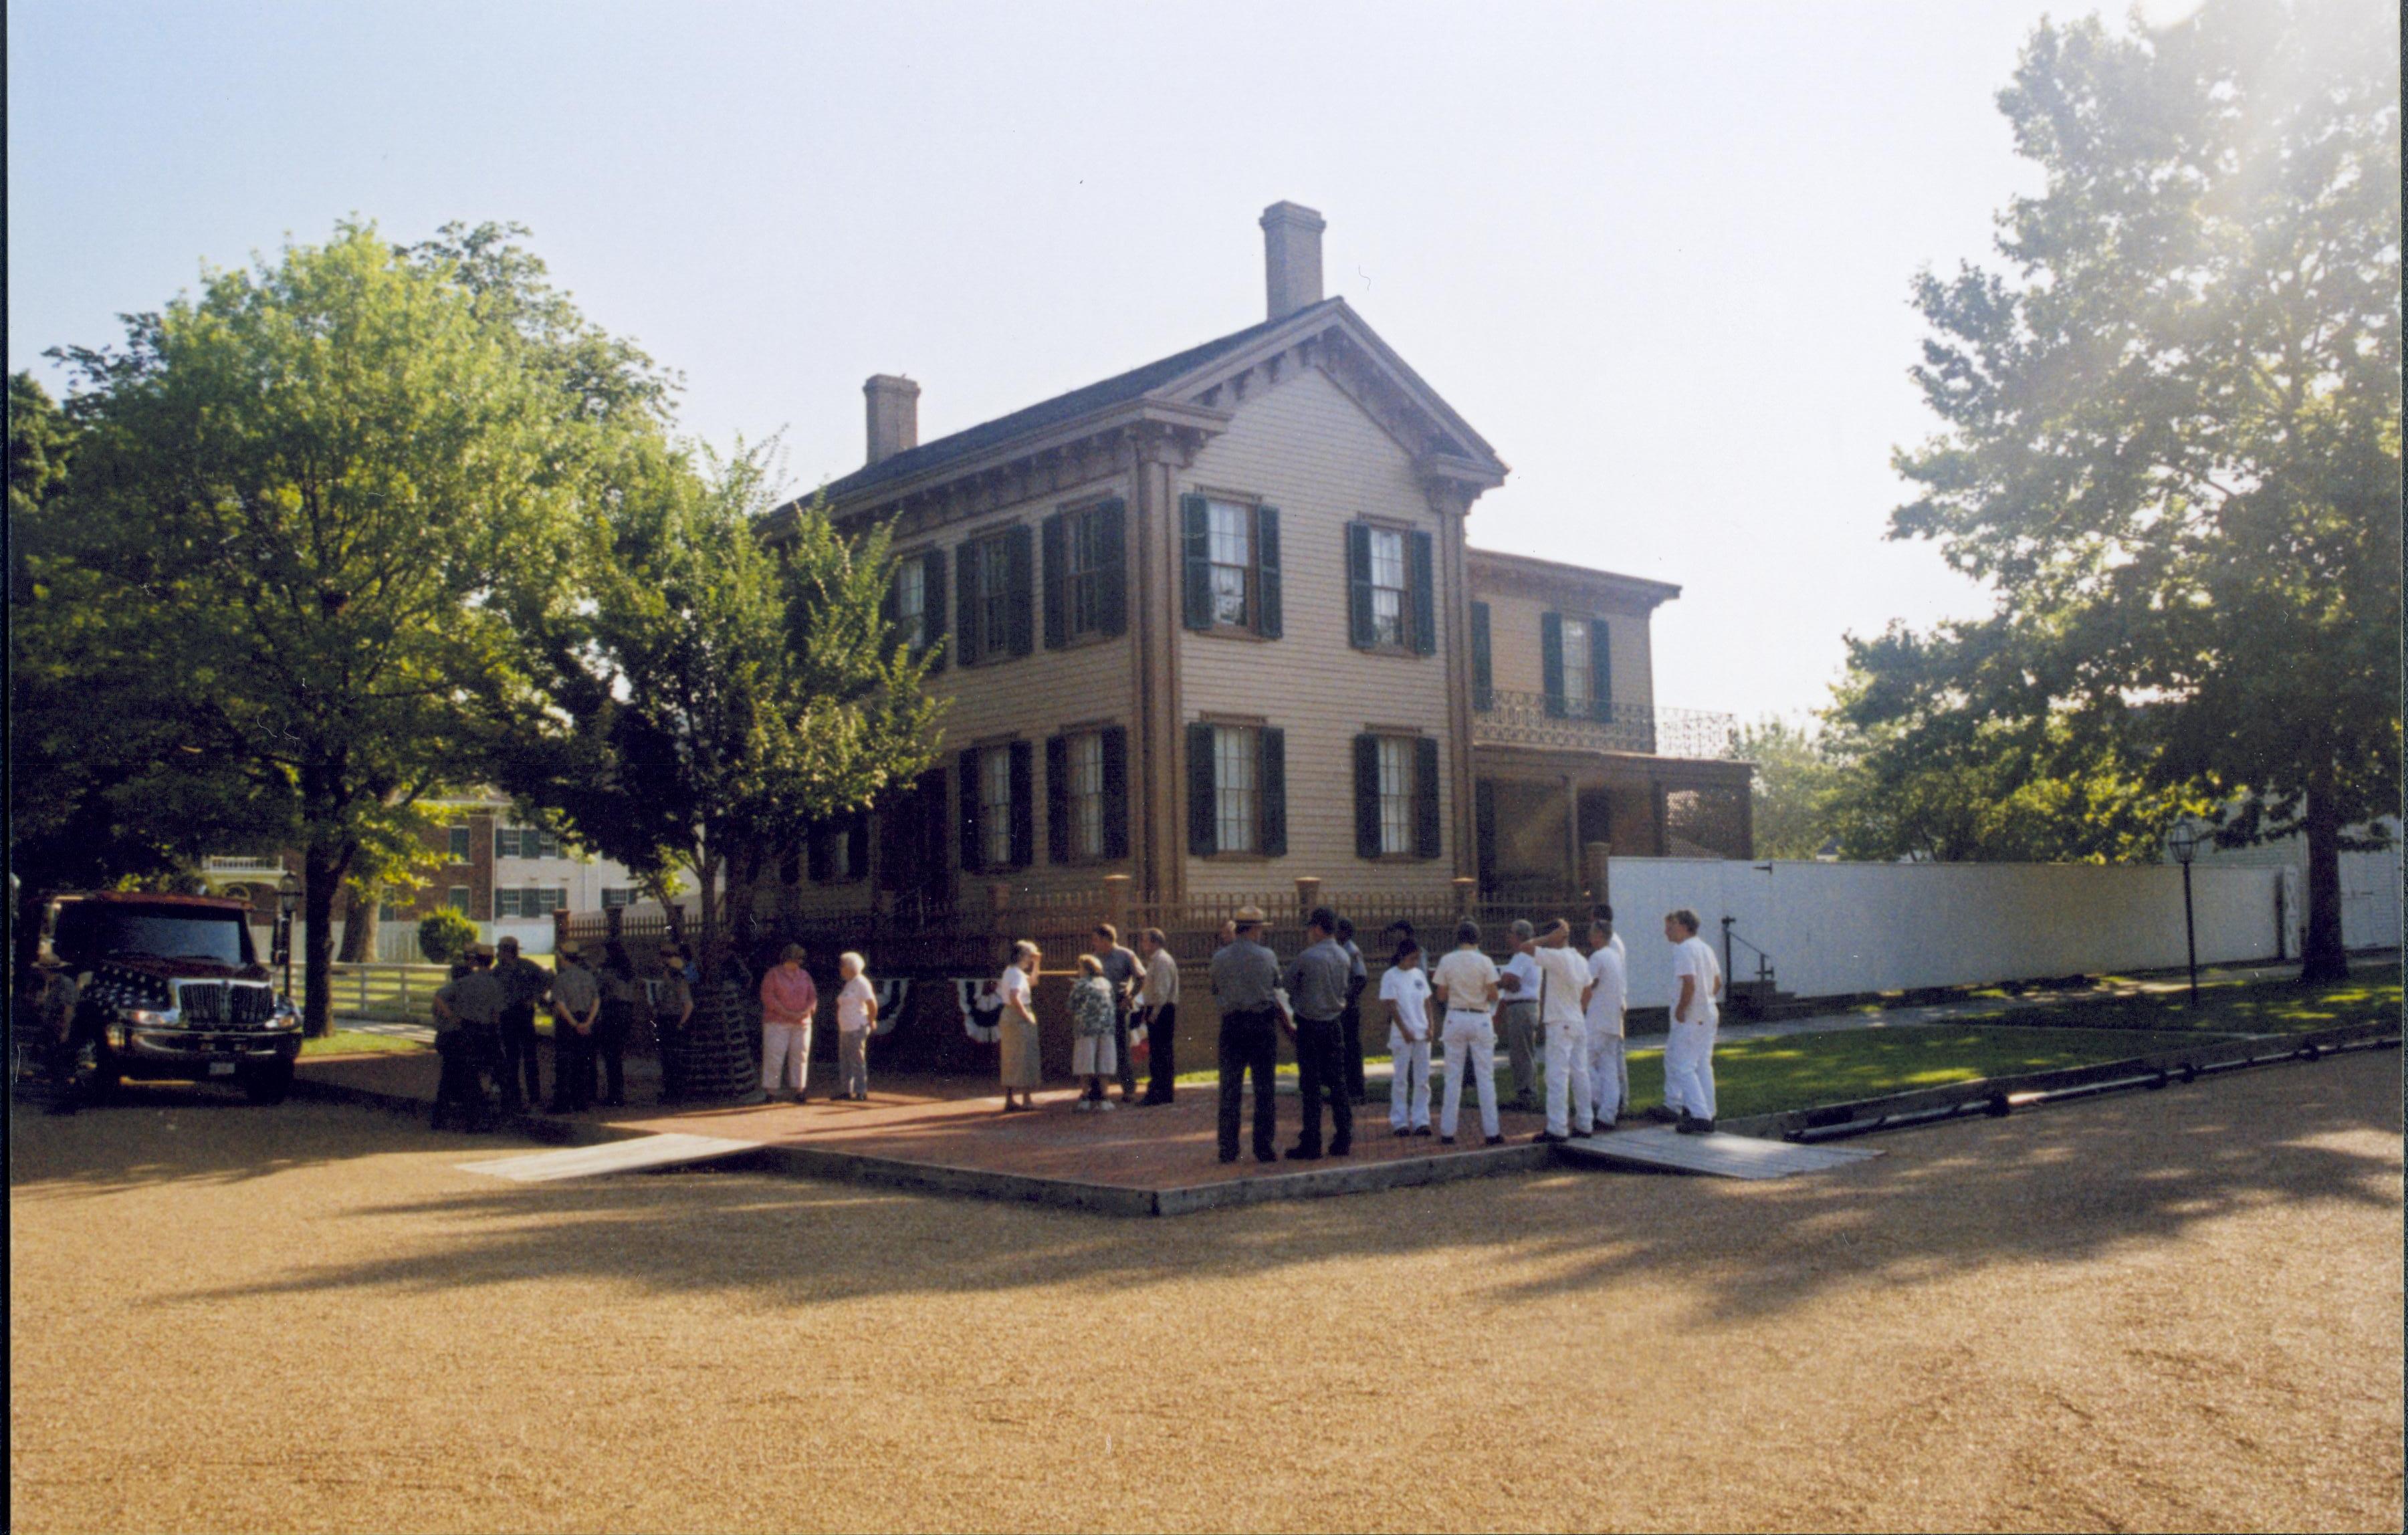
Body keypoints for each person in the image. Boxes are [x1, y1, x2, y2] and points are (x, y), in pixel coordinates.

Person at [1208, 907, 1281, 1163]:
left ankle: (1228, 1147)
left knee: (1230, 1087)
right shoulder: (1267, 956)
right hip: (1261, 1023)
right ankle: (1264, 1146)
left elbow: (1215, 988)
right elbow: (1276, 985)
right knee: (1264, 1088)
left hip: (1232, 1023)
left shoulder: (1220, 957)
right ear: (1254, 929)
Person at [1284, 907, 1354, 1161]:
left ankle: (1312, 1141)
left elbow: (1288, 984)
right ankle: (1344, 1137)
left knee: (1311, 1085)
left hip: (1310, 1022)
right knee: (1338, 1082)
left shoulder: (1307, 957)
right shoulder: (1344, 956)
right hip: (1334, 1022)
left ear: (1316, 928)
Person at [1431, 921, 1504, 1146]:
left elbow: (1441, 995)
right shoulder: (1485, 961)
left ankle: (1447, 1132)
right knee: (1485, 1076)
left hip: (1455, 1016)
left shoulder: (1446, 960)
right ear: (1477, 939)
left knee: (1453, 1076)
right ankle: (1492, 1132)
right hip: (1480, 1017)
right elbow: (1493, 995)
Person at [430, 943, 508, 1131]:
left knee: (462, 1075)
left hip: (465, 1031)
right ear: (492, 960)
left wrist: (453, 1017)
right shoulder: (495, 984)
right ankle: (480, 1119)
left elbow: (439, 996)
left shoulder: (465, 982)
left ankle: (442, 1118)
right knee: (487, 1075)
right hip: (486, 1032)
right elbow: (497, 1014)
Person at [1531, 919, 1596, 1144]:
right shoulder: (1580, 959)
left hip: (1560, 1021)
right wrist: (1577, 1010)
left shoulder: (1557, 957)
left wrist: (1548, 939)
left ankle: (1557, 1127)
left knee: (1557, 1075)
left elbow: (1525, 947)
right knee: (1580, 1072)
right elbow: (1588, 993)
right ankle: (1585, 1123)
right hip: (1577, 1019)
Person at [1663, 908, 1725, 1134]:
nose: (1666, 931)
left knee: (1683, 1066)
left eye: (1670, 926)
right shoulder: (1705, 948)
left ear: (1681, 925)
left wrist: (1682, 1008)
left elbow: (1690, 982)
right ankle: (1708, 1111)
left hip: (1692, 1015)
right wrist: (1705, 1000)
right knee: (1702, 1065)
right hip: (1708, 1011)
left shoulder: (1684, 949)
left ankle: (1699, 1115)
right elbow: (1716, 982)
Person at [1380, 936, 1434, 1137]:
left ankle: (1422, 1119)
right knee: (1401, 1079)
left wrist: (1431, 1026)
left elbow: (1427, 1001)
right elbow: (1391, 1005)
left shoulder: (1419, 974)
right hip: (1403, 1034)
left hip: (1421, 1032)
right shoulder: (1390, 976)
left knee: (1422, 1079)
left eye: (1417, 959)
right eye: (1412, 958)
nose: (1415, 962)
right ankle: (1400, 1121)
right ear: (1402, 956)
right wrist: (1404, 1030)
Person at [491, 936, 550, 1114]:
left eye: (500, 950)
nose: (498, 954)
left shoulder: (528, 966)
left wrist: (535, 997)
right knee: (511, 1058)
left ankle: (534, 1096)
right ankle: (514, 1096)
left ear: (507, 951)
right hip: (507, 1015)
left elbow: (547, 979)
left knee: (530, 1056)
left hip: (524, 1014)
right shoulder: (497, 971)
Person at [1583, 914, 1629, 1132]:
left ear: (1599, 935)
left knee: (1583, 1063)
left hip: (1598, 1020)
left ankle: (1598, 1101)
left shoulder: (1598, 957)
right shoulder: (1615, 957)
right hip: (1613, 1020)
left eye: (1592, 933)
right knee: (1609, 1067)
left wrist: (1580, 1006)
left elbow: (1587, 985)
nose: (1590, 937)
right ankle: (1608, 1113)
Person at [546, 940, 602, 1113]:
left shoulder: (561, 979)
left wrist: (574, 1024)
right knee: (582, 1062)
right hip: (586, 1018)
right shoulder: (588, 976)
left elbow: (561, 1004)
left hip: (567, 1022)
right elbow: (596, 1001)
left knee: (564, 1063)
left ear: (563, 958)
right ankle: (581, 1101)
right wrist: (588, 1022)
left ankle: (562, 1103)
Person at [1091, 923, 1142, 1106]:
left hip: (1119, 1006)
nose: (1094, 943)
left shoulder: (1125, 955)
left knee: (1121, 1047)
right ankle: (1097, 1089)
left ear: (1106, 939)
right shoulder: (1094, 958)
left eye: (1096, 939)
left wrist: (1129, 997)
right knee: (1098, 1047)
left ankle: (1128, 1089)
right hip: (1100, 1007)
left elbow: (1141, 977)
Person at [760, 944, 818, 1103]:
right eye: (793, 960)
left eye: (798, 960)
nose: (795, 964)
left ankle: (800, 1090)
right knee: (775, 1055)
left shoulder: (804, 975)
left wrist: (806, 1011)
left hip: (802, 1022)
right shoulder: (773, 975)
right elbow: (769, 998)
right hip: (777, 1022)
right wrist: (787, 1013)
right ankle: (771, 1091)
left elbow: (812, 997)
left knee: (800, 1056)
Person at [1496, 919, 1545, 1111]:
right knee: (1525, 1051)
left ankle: (1526, 1094)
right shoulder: (1528, 955)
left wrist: (1501, 983)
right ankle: (1527, 1091)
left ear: (1520, 936)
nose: (1508, 936)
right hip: (1526, 1006)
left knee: (1521, 1053)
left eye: (1511, 932)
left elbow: (1510, 980)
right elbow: (1513, 982)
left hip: (1521, 1007)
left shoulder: (1523, 956)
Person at [1135, 927, 1180, 1106]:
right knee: (1161, 1052)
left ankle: (1159, 1092)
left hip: (1161, 1010)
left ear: (1154, 942)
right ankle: (1163, 1091)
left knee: (1160, 1053)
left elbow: (1161, 990)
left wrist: (1154, 1013)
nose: (1143, 945)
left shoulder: (1161, 961)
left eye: (1145, 941)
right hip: (1160, 1009)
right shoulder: (1157, 960)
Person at [996, 941, 1043, 1112]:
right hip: (1018, 1015)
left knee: (1010, 1057)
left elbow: (1033, 982)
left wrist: (1037, 964)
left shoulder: (1012, 972)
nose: (1031, 958)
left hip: (1009, 1015)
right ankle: (1027, 1100)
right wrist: (1026, 1016)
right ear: (1023, 956)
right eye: (1030, 955)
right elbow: (1015, 997)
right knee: (1025, 1057)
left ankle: (1010, 1099)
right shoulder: (1016, 974)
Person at [1069, 953, 1118, 1110]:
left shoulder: (1080, 985)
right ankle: (1105, 1099)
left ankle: (1085, 1099)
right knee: (1104, 1063)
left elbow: (1071, 1006)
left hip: (1086, 1028)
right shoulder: (1106, 983)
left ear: (1085, 968)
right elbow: (1111, 1004)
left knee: (1085, 1064)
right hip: (1106, 1028)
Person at [594, 940, 639, 1108]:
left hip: (612, 1011)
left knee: (610, 1055)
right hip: (626, 1011)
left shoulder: (608, 973)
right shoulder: (627, 972)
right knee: (616, 1055)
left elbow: (597, 989)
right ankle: (617, 1093)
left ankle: (614, 1095)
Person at [651, 943, 694, 1105]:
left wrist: (681, 1023)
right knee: (668, 1059)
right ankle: (671, 1091)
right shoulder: (667, 985)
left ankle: (676, 1092)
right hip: (666, 1020)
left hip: (673, 1020)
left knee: (673, 1059)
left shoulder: (679, 984)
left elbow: (689, 1005)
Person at [1335, 915, 1370, 1106]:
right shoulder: (1340, 950)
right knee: (1342, 1049)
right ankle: (1345, 1089)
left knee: (1351, 1049)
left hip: (1349, 1008)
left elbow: (1361, 978)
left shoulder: (1351, 951)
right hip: (1341, 1007)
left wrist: (1346, 998)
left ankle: (1356, 1090)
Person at [835, 951, 877, 1100]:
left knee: (857, 1061)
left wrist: (871, 1020)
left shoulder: (861, 982)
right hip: (846, 1028)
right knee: (845, 1061)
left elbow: (872, 1004)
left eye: (843, 966)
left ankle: (861, 1091)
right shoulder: (849, 983)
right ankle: (846, 1090)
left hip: (857, 1027)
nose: (841, 969)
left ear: (850, 967)